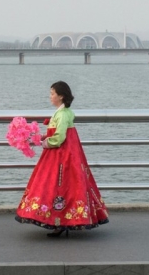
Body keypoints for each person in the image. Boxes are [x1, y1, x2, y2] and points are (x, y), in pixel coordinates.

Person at [15, 81, 109, 237]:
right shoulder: (63, 113)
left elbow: (59, 138)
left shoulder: (63, 114)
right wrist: (41, 138)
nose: (50, 97)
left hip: (61, 155)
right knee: (66, 186)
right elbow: (57, 134)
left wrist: (44, 142)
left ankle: (59, 221)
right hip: (64, 154)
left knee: (57, 185)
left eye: (52, 93)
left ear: (61, 96)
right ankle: (60, 221)